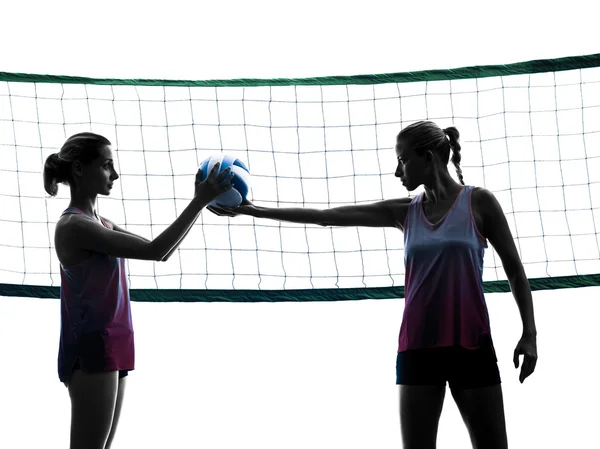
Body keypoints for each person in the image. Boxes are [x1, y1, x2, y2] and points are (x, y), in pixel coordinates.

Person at [210, 121, 538, 449]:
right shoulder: (404, 211)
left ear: (427, 158)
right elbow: (326, 215)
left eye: (403, 160)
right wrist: (254, 211)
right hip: (418, 347)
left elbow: (514, 269)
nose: (397, 171)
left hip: (471, 345)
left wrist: (529, 334)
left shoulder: (479, 202)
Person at [43, 132, 233, 449]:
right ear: (78, 169)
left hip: (114, 343)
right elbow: (157, 250)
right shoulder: (74, 226)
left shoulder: (102, 222)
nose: (114, 174)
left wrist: (202, 203)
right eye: (106, 166)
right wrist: (199, 201)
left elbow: (162, 250)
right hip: (91, 348)